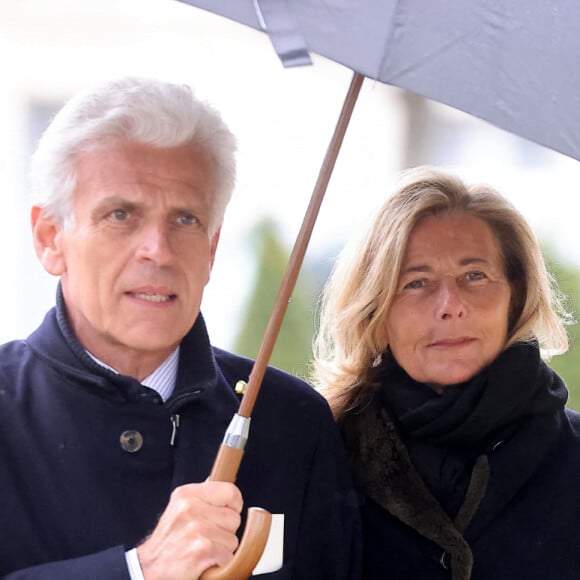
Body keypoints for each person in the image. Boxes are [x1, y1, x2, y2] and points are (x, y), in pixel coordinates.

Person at [0, 77, 361, 580]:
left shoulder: (291, 424)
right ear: (49, 238)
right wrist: (140, 571)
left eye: (185, 220)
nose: (159, 250)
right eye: (121, 214)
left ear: (211, 248)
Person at [312, 165, 580, 580]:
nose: (450, 304)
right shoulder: (318, 455)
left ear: (517, 297)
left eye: (475, 275)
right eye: (417, 282)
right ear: (377, 312)